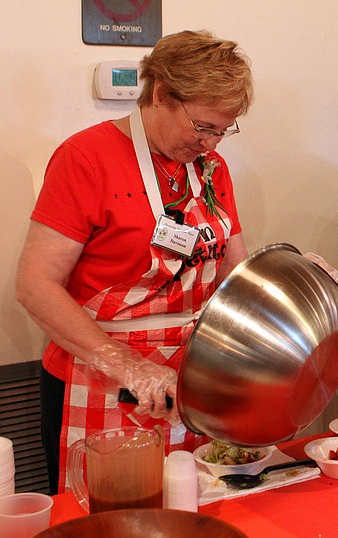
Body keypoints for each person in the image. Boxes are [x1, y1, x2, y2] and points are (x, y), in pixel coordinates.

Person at [16, 30, 253, 495]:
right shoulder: (85, 158)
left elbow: (233, 273)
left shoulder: (210, 169)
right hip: (101, 381)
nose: (211, 144)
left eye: (224, 130)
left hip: (188, 383)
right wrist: (130, 367)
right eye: (203, 127)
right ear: (160, 94)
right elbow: (35, 285)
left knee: (186, 508)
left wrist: (288, 282)